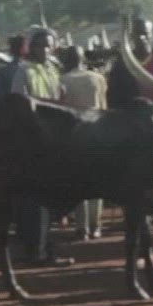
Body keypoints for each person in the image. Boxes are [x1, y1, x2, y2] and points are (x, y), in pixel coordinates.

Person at [8, 28, 66, 265]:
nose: (45, 49)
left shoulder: (53, 70)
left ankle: (42, 247)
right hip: (32, 141)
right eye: (40, 45)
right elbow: (17, 104)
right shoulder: (24, 71)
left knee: (48, 198)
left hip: (54, 140)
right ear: (31, 48)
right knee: (35, 198)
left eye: (48, 45)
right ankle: (37, 250)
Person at [58, 45, 109, 240]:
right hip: (98, 132)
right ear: (83, 60)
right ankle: (96, 226)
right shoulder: (98, 78)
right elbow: (104, 107)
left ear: (67, 60)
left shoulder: (62, 80)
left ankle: (82, 227)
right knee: (98, 183)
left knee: (79, 183)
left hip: (74, 135)